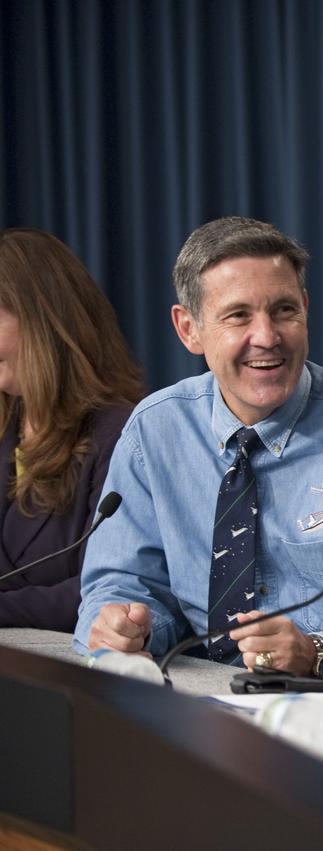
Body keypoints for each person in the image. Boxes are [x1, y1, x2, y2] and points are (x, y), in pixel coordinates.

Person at [74, 216, 323, 690]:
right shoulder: (155, 430)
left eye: (283, 310)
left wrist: (317, 652)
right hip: (201, 704)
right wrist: (123, 624)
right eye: (238, 315)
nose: (266, 336)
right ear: (189, 329)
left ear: (305, 308)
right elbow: (122, 583)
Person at [0, 228, 144, 630]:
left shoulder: (123, 434)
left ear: (43, 321)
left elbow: (104, 591)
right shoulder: (7, 426)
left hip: (69, 675)